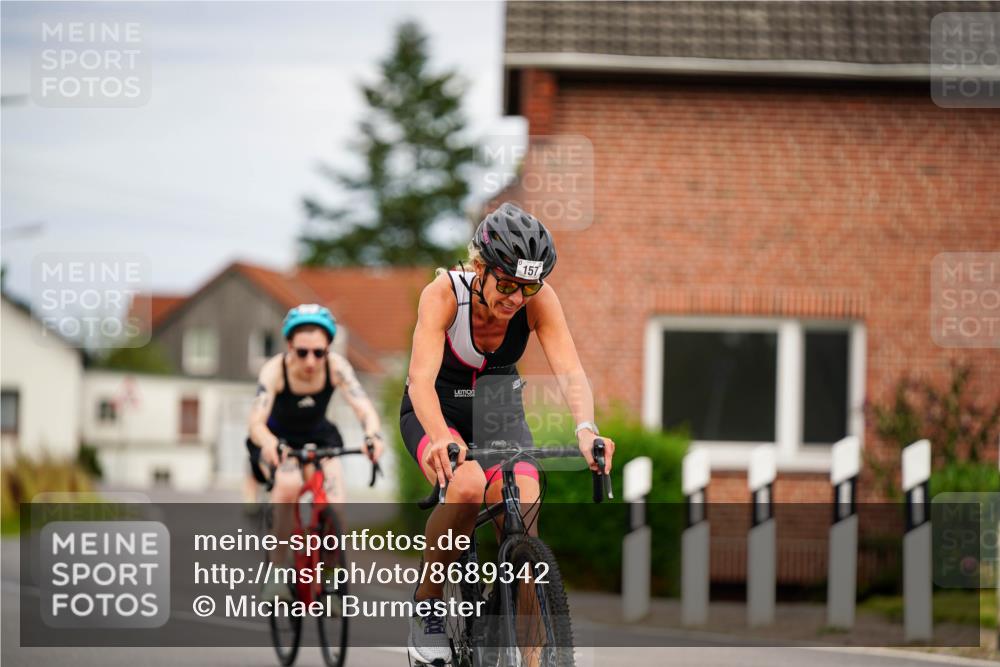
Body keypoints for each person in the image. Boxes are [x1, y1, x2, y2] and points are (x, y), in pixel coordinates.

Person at [401, 202, 616, 664]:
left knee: (526, 509)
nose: (516, 298)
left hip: (498, 406)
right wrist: (441, 437)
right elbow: (419, 381)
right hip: (437, 406)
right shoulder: (443, 294)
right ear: (479, 267)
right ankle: (428, 604)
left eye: (528, 287)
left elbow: (571, 371)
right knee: (467, 487)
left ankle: (530, 655)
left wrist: (586, 429)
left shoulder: (540, 300)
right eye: (506, 284)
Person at [246, 303, 384, 598]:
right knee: (287, 485)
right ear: (289, 346)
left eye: (319, 353)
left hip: (319, 436)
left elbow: (364, 408)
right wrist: (269, 443)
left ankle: (331, 577)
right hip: (278, 438)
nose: (311, 361)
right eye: (302, 352)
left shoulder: (337, 367)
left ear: (328, 349)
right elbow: (255, 422)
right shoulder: (274, 370)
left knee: (335, 502)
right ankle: (276, 573)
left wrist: (373, 435)